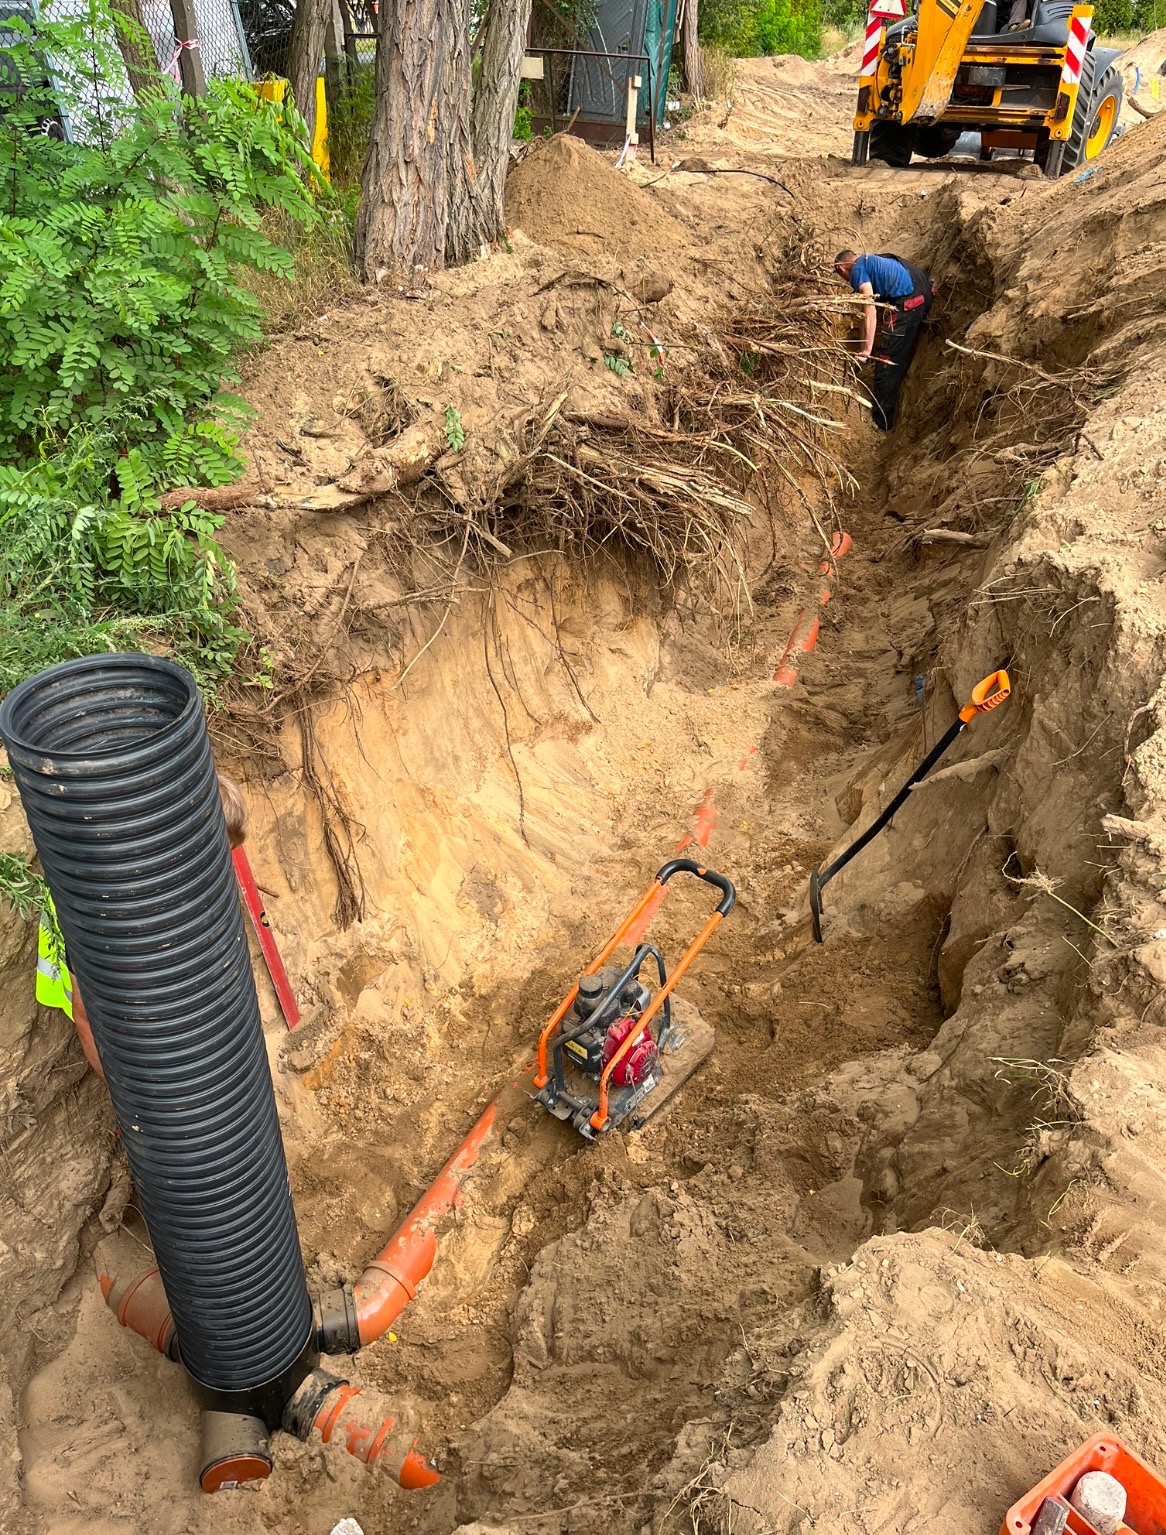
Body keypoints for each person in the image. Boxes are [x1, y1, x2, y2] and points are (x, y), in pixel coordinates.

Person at [36, 772, 249, 1078]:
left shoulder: (160, 853)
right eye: (213, 853)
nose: (218, 866)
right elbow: (87, 1016)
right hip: (82, 949)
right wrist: (131, 1106)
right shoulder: (107, 894)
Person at [833, 249, 935, 431]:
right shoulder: (874, 260)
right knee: (896, 351)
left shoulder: (857, 271)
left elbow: (870, 310)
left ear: (841, 268)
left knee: (886, 363)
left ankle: (882, 425)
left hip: (910, 302)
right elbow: (866, 314)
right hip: (924, 288)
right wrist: (864, 347)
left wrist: (866, 353)